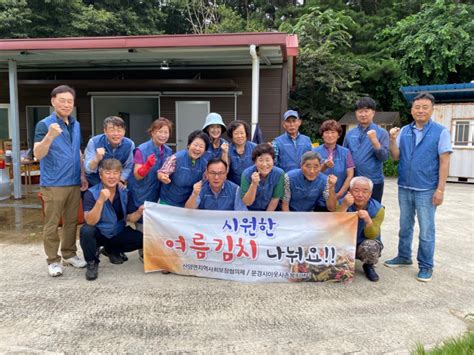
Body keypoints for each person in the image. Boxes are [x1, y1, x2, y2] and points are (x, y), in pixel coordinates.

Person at [384, 92, 453, 282]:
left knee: (426, 230)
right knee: (405, 226)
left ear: (432, 110)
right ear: (411, 110)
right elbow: (396, 156)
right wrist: (391, 140)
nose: (420, 110)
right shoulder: (404, 130)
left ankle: (426, 265)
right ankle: (404, 256)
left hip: (427, 189)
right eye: (417, 107)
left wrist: (440, 189)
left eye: (425, 107)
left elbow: (444, 162)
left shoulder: (441, 132)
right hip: (405, 186)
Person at [33, 85, 88, 277]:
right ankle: (53, 260)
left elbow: (77, 152)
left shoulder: (76, 124)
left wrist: (82, 174)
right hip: (53, 183)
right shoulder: (44, 125)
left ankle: (69, 254)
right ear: (53, 101)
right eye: (62, 100)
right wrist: (49, 136)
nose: (66, 104)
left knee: (72, 222)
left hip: (73, 182)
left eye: (70, 101)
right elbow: (38, 154)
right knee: (52, 223)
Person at [80, 159, 144, 281]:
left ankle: (110, 250)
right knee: (86, 231)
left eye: (115, 173)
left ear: (120, 175)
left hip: (116, 231)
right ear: (100, 175)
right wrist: (100, 200)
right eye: (108, 173)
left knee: (142, 239)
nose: (112, 176)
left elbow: (130, 217)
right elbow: (90, 221)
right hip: (99, 232)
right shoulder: (91, 193)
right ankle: (92, 262)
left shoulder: (125, 192)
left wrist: (139, 212)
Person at [127, 118, 173, 231]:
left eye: (166, 132)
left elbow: (168, 169)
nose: (163, 135)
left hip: (156, 193)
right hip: (141, 192)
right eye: (159, 131)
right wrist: (147, 165)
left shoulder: (168, 151)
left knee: (154, 228)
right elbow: (137, 175)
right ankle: (142, 249)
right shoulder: (141, 150)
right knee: (142, 227)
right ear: (152, 132)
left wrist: (165, 176)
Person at [337, 176, 385, 282]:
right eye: (356, 190)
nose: (360, 195)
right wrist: (344, 206)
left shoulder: (378, 209)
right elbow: (333, 227)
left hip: (362, 244)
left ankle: (369, 265)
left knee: (371, 246)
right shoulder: (341, 202)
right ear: (349, 191)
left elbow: (373, 235)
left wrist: (368, 220)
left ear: (370, 194)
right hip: (344, 242)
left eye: (365, 191)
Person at [343, 97, 389, 202]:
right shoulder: (350, 133)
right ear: (356, 113)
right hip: (353, 181)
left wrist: (375, 142)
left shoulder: (382, 132)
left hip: (374, 181)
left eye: (366, 111)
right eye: (360, 111)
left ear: (373, 112)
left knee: (373, 211)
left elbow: (384, 157)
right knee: (353, 212)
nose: (363, 114)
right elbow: (345, 156)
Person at [158, 130, 210, 207]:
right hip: (168, 202)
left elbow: (205, 181)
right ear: (189, 145)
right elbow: (162, 173)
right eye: (195, 145)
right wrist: (163, 177)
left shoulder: (204, 164)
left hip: (187, 203)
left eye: (201, 146)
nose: (197, 149)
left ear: (205, 150)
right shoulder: (176, 158)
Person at [84, 116, 135, 187]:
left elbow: (129, 166)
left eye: (119, 130)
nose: (116, 134)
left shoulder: (130, 144)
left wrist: (121, 180)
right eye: (112, 130)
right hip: (95, 183)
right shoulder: (94, 142)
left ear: (124, 131)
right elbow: (88, 169)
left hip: (117, 183)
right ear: (105, 131)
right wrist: (96, 159)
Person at [313, 119, 354, 199]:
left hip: (340, 196)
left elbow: (350, 175)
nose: (330, 135)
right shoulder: (314, 151)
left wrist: (339, 194)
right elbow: (312, 173)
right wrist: (324, 166)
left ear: (338, 135)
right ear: (322, 135)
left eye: (333, 132)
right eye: (327, 132)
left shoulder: (346, 152)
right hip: (318, 197)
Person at [241, 143, 285, 211]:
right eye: (260, 160)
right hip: (250, 211)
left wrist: (266, 217)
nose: (264, 164)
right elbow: (247, 203)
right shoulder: (246, 174)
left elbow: (275, 199)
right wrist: (253, 184)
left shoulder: (279, 174)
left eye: (268, 160)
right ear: (255, 162)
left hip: (270, 211)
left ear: (273, 161)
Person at [226, 120, 257, 185]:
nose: (239, 136)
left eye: (242, 133)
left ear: (246, 133)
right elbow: (225, 169)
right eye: (236, 133)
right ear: (231, 135)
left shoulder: (255, 148)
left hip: (252, 185)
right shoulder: (227, 149)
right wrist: (224, 153)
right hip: (234, 187)